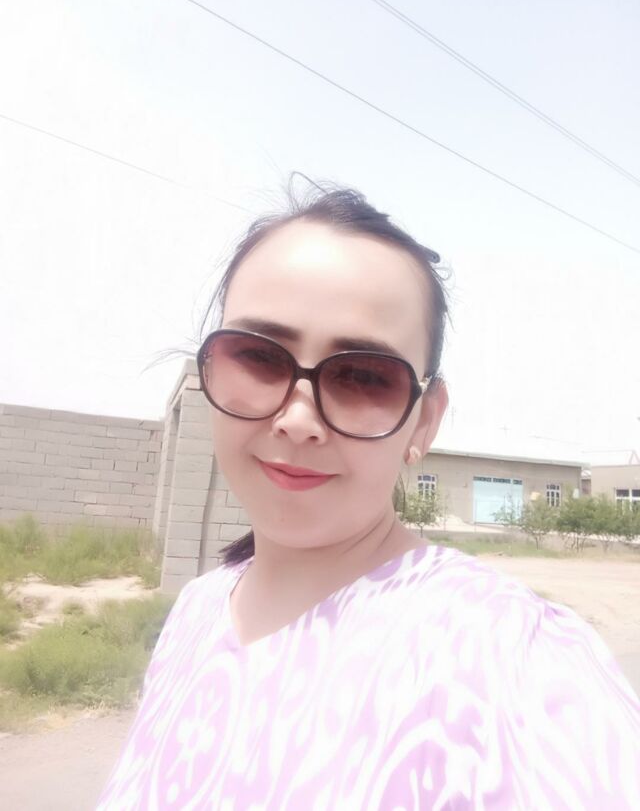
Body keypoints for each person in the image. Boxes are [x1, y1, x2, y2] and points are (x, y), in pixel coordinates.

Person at [97, 182, 640, 810]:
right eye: (260, 357)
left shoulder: (513, 664)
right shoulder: (195, 612)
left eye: (362, 376)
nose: (298, 420)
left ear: (424, 420)